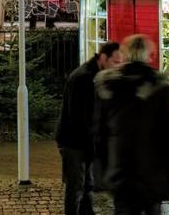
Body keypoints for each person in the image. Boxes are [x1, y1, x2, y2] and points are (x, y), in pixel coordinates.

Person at [95, 34, 169, 215]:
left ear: (124, 54)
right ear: (149, 55)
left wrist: (101, 167)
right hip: (153, 168)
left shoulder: (107, 85)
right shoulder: (159, 85)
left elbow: (99, 130)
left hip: (120, 167)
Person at [57, 41, 121, 215]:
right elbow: (83, 117)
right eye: (115, 62)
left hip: (82, 140)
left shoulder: (94, 75)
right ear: (103, 58)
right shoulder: (85, 78)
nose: (117, 67)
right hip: (74, 141)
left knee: (86, 184)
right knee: (76, 186)